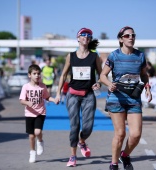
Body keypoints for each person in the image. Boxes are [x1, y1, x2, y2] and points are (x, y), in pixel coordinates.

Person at [100, 26, 152, 170]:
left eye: (133, 35)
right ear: (121, 39)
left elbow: (144, 75)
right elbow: (102, 75)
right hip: (116, 98)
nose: (131, 37)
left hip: (133, 98)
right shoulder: (114, 56)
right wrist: (109, 84)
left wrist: (147, 87)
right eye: (127, 35)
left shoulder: (140, 56)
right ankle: (114, 164)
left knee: (135, 134)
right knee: (120, 133)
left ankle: (125, 155)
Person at [55, 27, 102, 167]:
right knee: (74, 126)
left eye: (89, 35)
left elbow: (101, 74)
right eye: (83, 35)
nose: (86, 37)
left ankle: (82, 141)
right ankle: (73, 156)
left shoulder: (94, 56)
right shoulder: (71, 56)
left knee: (87, 128)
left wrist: (98, 83)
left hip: (88, 95)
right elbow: (63, 75)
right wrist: (58, 93)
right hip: (73, 95)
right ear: (78, 38)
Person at [19, 64, 56, 163]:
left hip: (40, 112)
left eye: (38, 74)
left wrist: (54, 100)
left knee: (38, 132)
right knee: (31, 136)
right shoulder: (25, 87)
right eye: (34, 73)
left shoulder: (42, 86)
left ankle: (40, 141)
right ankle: (32, 152)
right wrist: (27, 102)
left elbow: (47, 97)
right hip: (29, 113)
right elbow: (22, 100)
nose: (37, 75)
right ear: (29, 75)